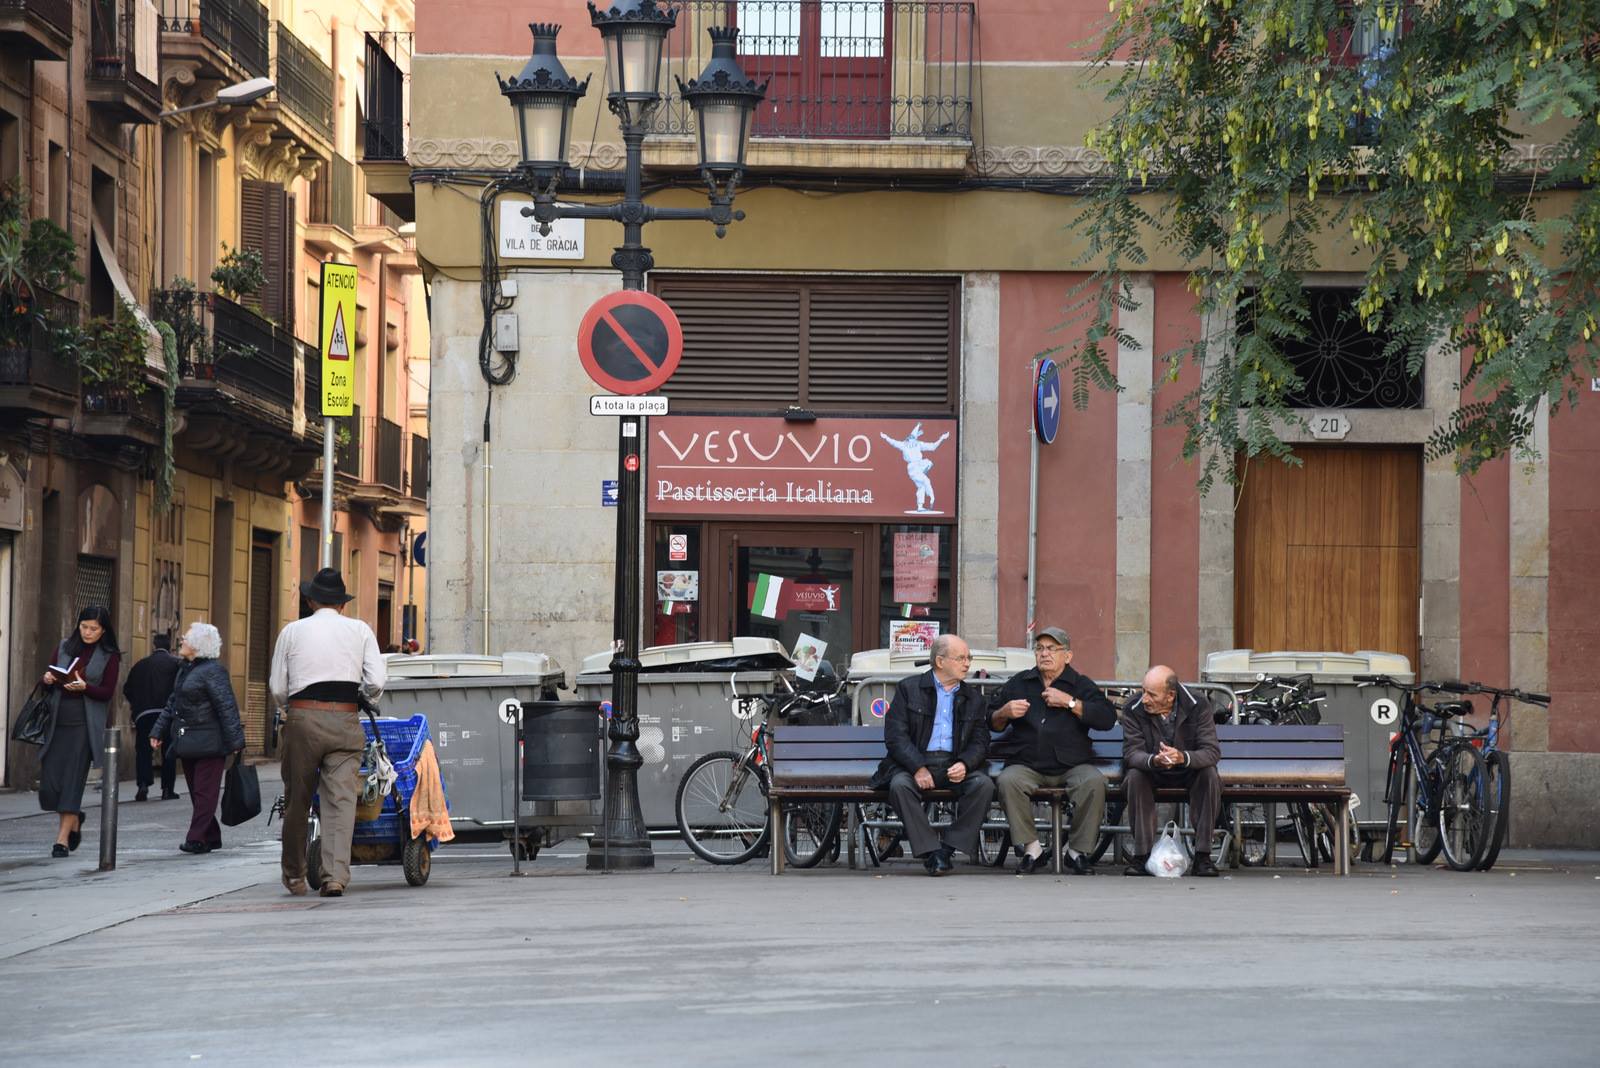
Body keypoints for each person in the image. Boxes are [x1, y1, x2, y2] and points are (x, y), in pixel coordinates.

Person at [270, 567, 385, 898]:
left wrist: (290, 709)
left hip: (302, 718)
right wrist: (362, 697)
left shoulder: (292, 631)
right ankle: (335, 875)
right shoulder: (359, 630)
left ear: (309, 600)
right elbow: (376, 681)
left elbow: (278, 686)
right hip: (345, 719)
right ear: (342, 605)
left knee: (298, 800)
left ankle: (294, 874)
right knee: (341, 799)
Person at [989, 627, 1116, 874]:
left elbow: (1106, 718)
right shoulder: (1020, 682)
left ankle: (1077, 851)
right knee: (1008, 781)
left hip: (1072, 765)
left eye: (1052, 649)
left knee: (1094, 782)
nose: (1044, 654)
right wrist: (1004, 712)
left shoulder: (1080, 684)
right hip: (1027, 764)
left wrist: (1070, 703)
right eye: (1040, 648)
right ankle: (1032, 849)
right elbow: (991, 719)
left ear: (1067, 656)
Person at [869, 633, 994, 876]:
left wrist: (965, 764)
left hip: (953, 763)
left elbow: (981, 741)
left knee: (984, 785)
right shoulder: (909, 688)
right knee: (899, 786)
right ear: (940, 661)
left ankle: (946, 850)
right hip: (914, 762)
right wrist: (918, 767)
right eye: (961, 658)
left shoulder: (974, 698)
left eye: (969, 658)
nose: (967, 663)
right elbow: (896, 736)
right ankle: (930, 851)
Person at [150, 623, 246, 853]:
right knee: (197, 791)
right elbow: (173, 702)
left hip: (211, 742)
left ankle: (196, 838)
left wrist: (236, 743)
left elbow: (227, 707)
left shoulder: (214, 671)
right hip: (189, 740)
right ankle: (211, 836)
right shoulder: (186, 668)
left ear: (198, 646)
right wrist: (158, 730)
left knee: (205, 792)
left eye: (186, 639)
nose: (182, 641)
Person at [1120, 665, 1222, 877]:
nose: (1145, 699)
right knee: (1135, 777)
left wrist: (1182, 757)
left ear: (1170, 696)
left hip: (1187, 769)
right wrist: (1154, 760)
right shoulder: (1133, 707)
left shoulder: (1198, 704)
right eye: (1143, 691)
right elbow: (1131, 753)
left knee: (1209, 775)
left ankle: (1203, 856)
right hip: (1151, 769)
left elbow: (1211, 751)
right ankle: (1142, 856)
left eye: (1151, 694)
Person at [37, 606, 121, 858]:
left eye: (93, 628)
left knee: (72, 782)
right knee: (50, 786)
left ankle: (61, 840)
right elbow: (47, 680)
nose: (87, 632)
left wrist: (85, 687)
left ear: (103, 630)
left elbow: (107, 692)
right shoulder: (64, 646)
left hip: (84, 726)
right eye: (84, 626)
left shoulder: (110, 655)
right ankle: (75, 818)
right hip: (56, 723)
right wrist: (47, 680)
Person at [123, 633, 182, 802]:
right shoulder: (175, 664)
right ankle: (167, 789)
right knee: (168, 751)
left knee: (143, 750)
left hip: (144, 715)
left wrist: (137, 706)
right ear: (170, 646)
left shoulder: (140, 665)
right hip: (166, 714)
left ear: (153, 646)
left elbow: (127, 689)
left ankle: (143, 785)